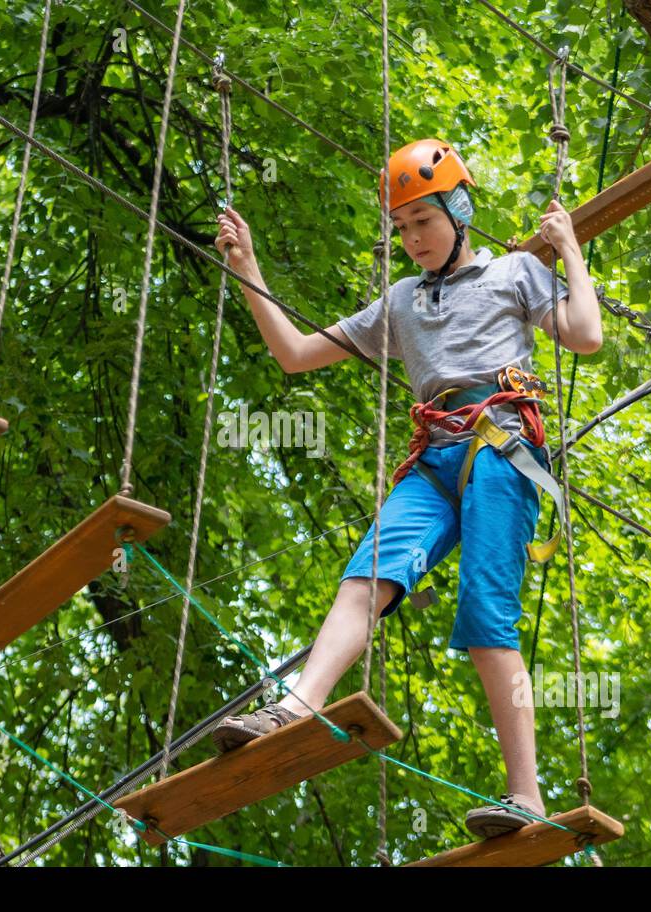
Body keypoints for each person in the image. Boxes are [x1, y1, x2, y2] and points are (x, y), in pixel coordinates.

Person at [209, 138, 602, 839]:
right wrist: (247, 269)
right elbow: (295, 355)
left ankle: (527, 795)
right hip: (434, 460)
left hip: (499, 449)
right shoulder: (400, 302)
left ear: (459, 210)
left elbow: (585, 335)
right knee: (367, 576)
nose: (413, 238)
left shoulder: (514, 272)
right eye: (401, 228)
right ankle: (301, 704)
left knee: (486, 611)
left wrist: (567, 246)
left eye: (424, 220)